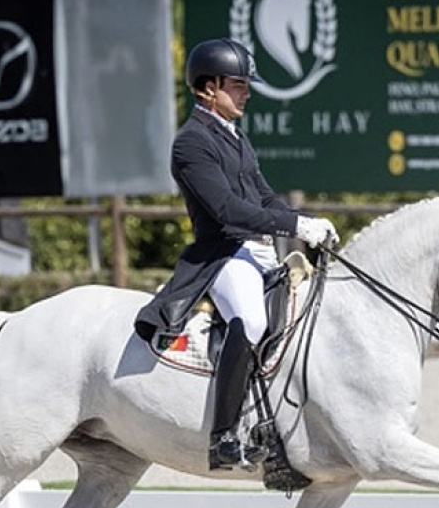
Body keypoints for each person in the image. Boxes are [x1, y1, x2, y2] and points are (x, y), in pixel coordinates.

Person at [134, 38, 339, 471]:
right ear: (208, 88)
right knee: (252, 319)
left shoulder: (237, 139)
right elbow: (226, 210)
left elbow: (264, 198)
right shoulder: (191, 143)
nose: (247, 92)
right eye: (238, 84)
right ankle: (224, 435)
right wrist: (294, 227)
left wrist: (308, 222)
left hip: (259, 252)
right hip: (223, 254)